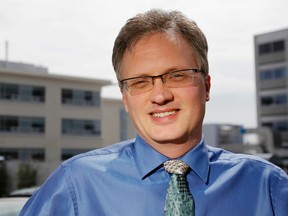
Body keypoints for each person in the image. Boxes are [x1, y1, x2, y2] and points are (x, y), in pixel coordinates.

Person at [20, 9, 288, 216]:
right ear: (125, 98)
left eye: (178, 76)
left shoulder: (268, 187)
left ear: (206, 86)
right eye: (139, 82)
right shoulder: (74, 184)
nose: (160, 96)